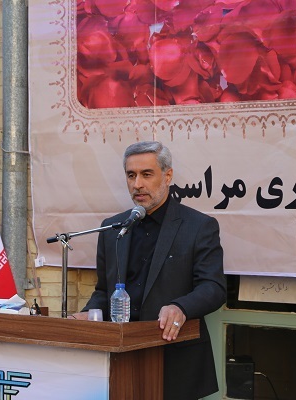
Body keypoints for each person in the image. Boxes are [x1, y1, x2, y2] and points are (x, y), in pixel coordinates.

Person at [72, 141, 227, 400]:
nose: (137, 184)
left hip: (173, 358)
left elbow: (214, 287)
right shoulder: (113, 228)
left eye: (146, 174)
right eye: (131, 175)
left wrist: (181, 307)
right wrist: (90, 313)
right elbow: (104, 290)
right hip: (119, 358)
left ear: (167, 176)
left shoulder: (199, 226)